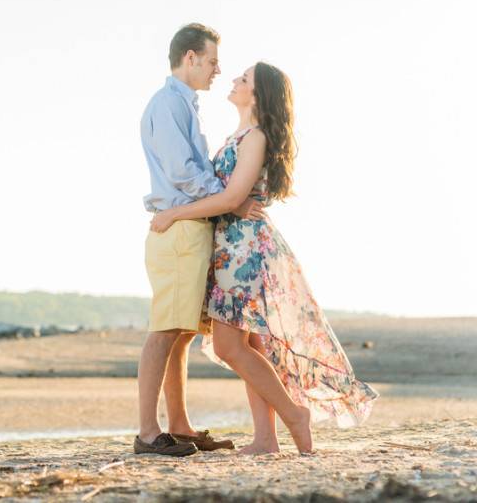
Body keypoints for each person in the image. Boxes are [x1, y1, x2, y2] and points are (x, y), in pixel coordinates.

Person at [150, 62, 379, 454]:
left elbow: (231, 198)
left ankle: (294, 413)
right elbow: (228, 199)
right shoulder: (240, 134)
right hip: (229, 246)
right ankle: (266, 438)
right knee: (250, 343)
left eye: (244, 79)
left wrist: (172, 213)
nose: (234, 81)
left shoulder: (255, 137)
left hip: (243, 250)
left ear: (257, 95)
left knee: (229, 346)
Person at [135, 23, 262, 457]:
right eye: (211, 61)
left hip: (189, 227)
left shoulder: (183, 104)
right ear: (190, 58)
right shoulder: (169, 104)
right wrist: (231, 200)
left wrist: (225, 200)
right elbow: (184, 174)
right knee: (165, 329)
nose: (216, 70)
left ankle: (179, 425)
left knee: (183, 332)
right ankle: (148, 433)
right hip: (179, 229)